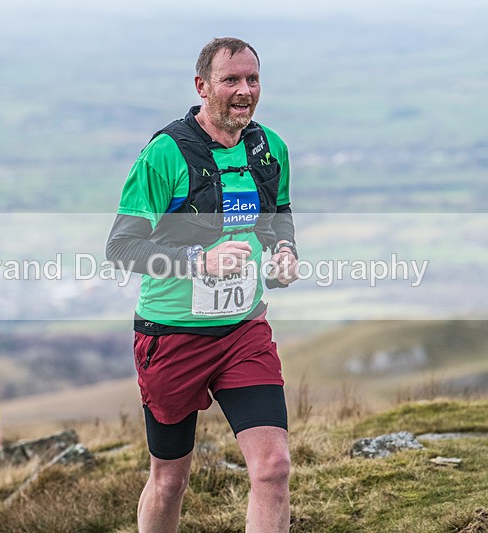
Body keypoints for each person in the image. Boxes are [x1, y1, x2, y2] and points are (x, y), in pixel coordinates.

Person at [106, 37, 299, 532]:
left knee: (274, 468)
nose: (244, 91)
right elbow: (122, 248)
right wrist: (198, 261)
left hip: (243, 331)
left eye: (252, 79)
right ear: (202, 86)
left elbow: (277, 216)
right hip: (172, 335)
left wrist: (284, 252)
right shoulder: (165, 154)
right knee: (170, 481)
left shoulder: (269, 148)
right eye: (231, 80)